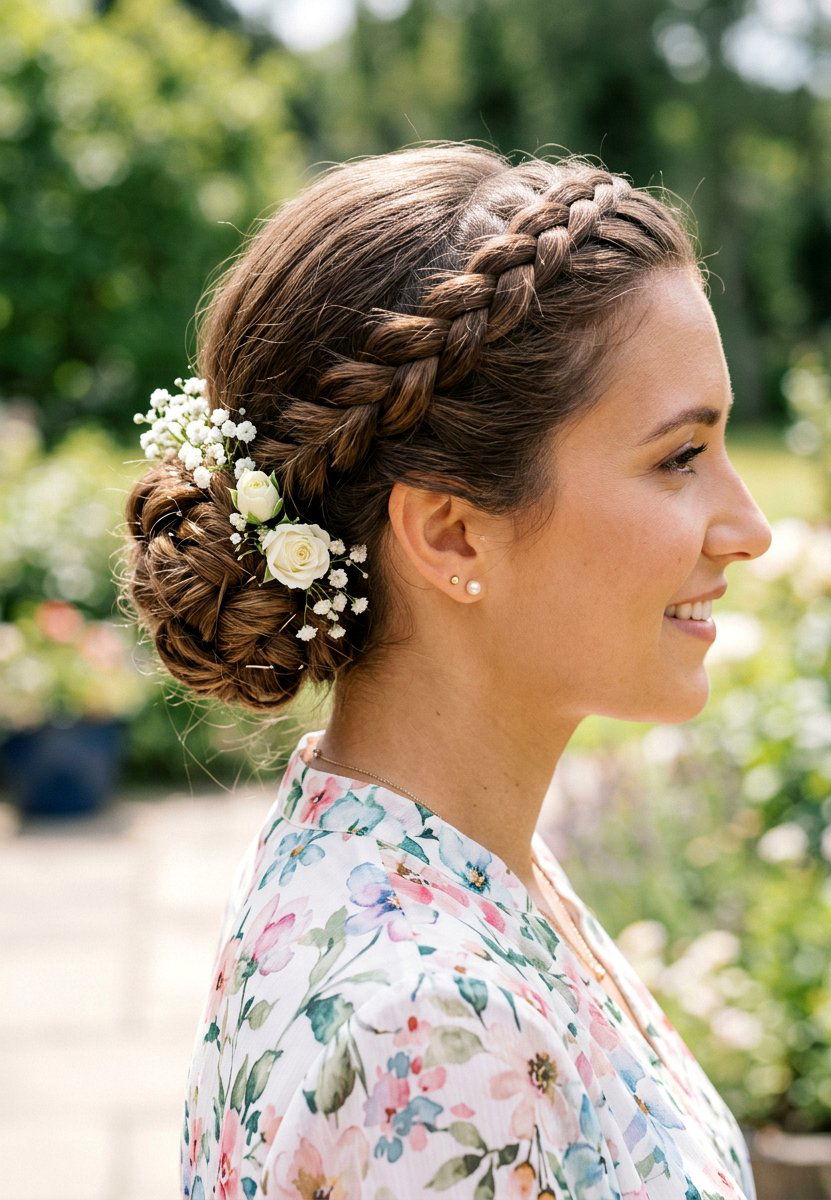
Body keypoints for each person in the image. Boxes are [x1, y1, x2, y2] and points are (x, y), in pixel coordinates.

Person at [123, 142, 773, 1199]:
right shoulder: (428, 1026)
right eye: (678, 458)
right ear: (451, 535)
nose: (748, 529)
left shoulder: (452, 859)